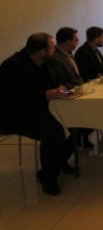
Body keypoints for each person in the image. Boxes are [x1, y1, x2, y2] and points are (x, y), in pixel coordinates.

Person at [0, 33, 74, 195]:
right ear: (42, 51)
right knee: (54, 133)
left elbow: (60, 78)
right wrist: (44, 95)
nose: (55, 50)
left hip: (46, 109)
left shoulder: (48, 61)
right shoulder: (12, 66)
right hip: (19, 114)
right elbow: (10, 98)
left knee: (77, 124)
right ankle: (48, 177)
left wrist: (61, 86)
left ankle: (60, 161)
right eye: (52, 47)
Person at [54, 27, 95, 149]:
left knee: (96, 112)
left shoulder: (68, 54)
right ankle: (66, 154)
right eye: (76, 40)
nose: (78, 42)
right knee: (88, 116)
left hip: (79, 91)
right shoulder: (55, 58)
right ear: (68, 42)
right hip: (68, 97)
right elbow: (60, 81)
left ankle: (82, 138)